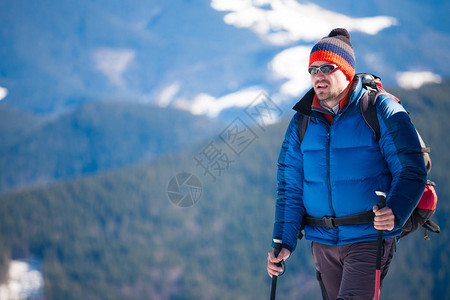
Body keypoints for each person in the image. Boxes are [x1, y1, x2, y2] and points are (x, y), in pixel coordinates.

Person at [266, 28, 427, 300]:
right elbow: (290, 188)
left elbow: (411, 169)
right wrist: (283, 242)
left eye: (326, 67)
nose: (318, 76)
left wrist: (395, 211)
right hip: (322, 242)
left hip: (368, 236)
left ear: (346, 70)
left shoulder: (379, 109)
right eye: (313, 70)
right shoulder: (302, 121)